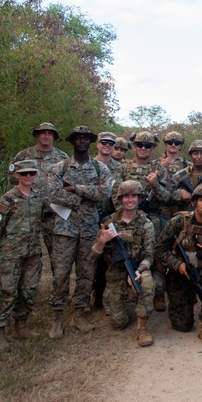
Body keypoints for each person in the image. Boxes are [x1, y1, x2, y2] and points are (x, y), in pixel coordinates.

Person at [46, 126, 112, 338]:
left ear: (90, 142)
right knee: (61, 274)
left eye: (86, 139)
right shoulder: (60, 168)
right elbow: (53, 195)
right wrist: (80, 199)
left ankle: (78, 315)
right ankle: (57, 318)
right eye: (78, 138)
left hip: (89, 228)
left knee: (86, 273)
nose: (82, 141)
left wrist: (76, 189)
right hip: (65, 229)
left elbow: (104, 192)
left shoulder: (100, 168)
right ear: (72, 141)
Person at [156, 183, 202, 345]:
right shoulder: (178, 222)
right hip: (181, 272)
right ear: (194, 202)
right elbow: (161, 250)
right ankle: (188, 298)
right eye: (201, 200)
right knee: (182, 326)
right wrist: (177, 265)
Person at [0, 159, 47, 351]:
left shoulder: (38, 197)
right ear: (16, 175)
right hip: (10, 254)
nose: (28, 177)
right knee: (8, 292)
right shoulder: (8, 199)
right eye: (24, 174)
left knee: (29, 290)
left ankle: (21, 325)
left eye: (31, 173)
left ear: (36, 175)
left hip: (32, 252)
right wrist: (2, 247)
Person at [90, 180, 156, 347]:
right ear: (120, 199)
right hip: (115, 273)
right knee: (118, 323)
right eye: (126, 196)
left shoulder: (146, 224)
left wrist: (139, 270)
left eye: (133, 196)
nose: (130, 200)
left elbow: (150, 255)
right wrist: (102, 241)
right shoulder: (109, 223)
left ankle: (142, 327)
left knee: (147, 281)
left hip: (136, 269)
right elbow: (92, 256)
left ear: (139, 198)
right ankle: (129, 301)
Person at [113, 131, 174, 311]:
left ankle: (159, 292)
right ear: (134, 146)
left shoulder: (158, 169)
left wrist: (155, 185)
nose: (143, 148)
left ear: (153, 148)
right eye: (140, 145)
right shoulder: (123, 169)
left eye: (147, 146)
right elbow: (115, 197)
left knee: (156, 254)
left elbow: (168, 197)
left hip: (153, 218)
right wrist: (129, 214)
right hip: (127, 219)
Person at [11, 122, 68, 266]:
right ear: (37, 135)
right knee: (25, 252)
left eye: (50, 133)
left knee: (57, 254)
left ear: (54, 137)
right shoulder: (23, 156)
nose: (46, 136)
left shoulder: (63, 158)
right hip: (28, 212)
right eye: (43, 133)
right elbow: (12, 181)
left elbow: (68, 184)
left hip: (53, 213)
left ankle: (58, 286)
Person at [91, 131, 121, 310]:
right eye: (104, 142)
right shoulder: (89, 165)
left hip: (111, 218)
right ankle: (92, 292)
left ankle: (102, 295)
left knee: (107, 259)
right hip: (90, 217)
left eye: (111, 143)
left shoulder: (120, 168)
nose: (107, 146)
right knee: (92, 257)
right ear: (98, 144)